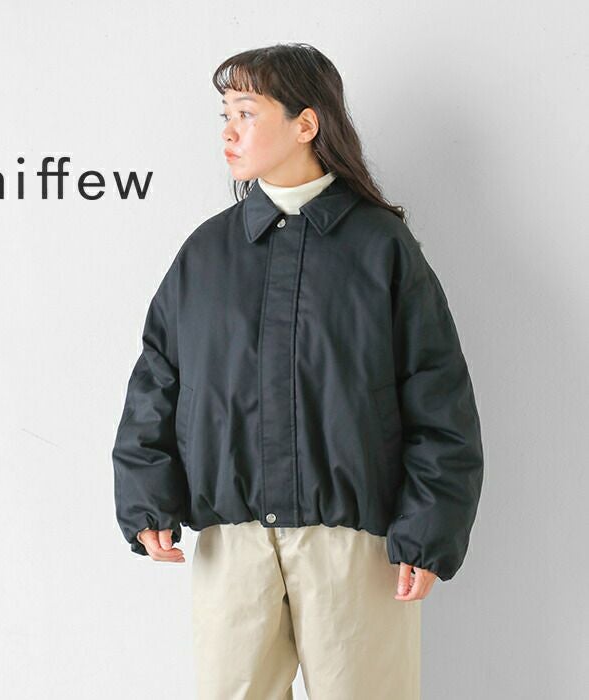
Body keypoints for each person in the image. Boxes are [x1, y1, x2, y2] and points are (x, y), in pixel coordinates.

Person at [112, 42, 484, 700]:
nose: (229, 131)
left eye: (246, 112)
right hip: (234, 547)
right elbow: (156, 382)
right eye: (225, 114)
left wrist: (428, 532)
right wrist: (148, 498)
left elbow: (438, 397)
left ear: (306, 123)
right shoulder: (207, 254)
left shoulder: (380, 249)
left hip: (354, 550)